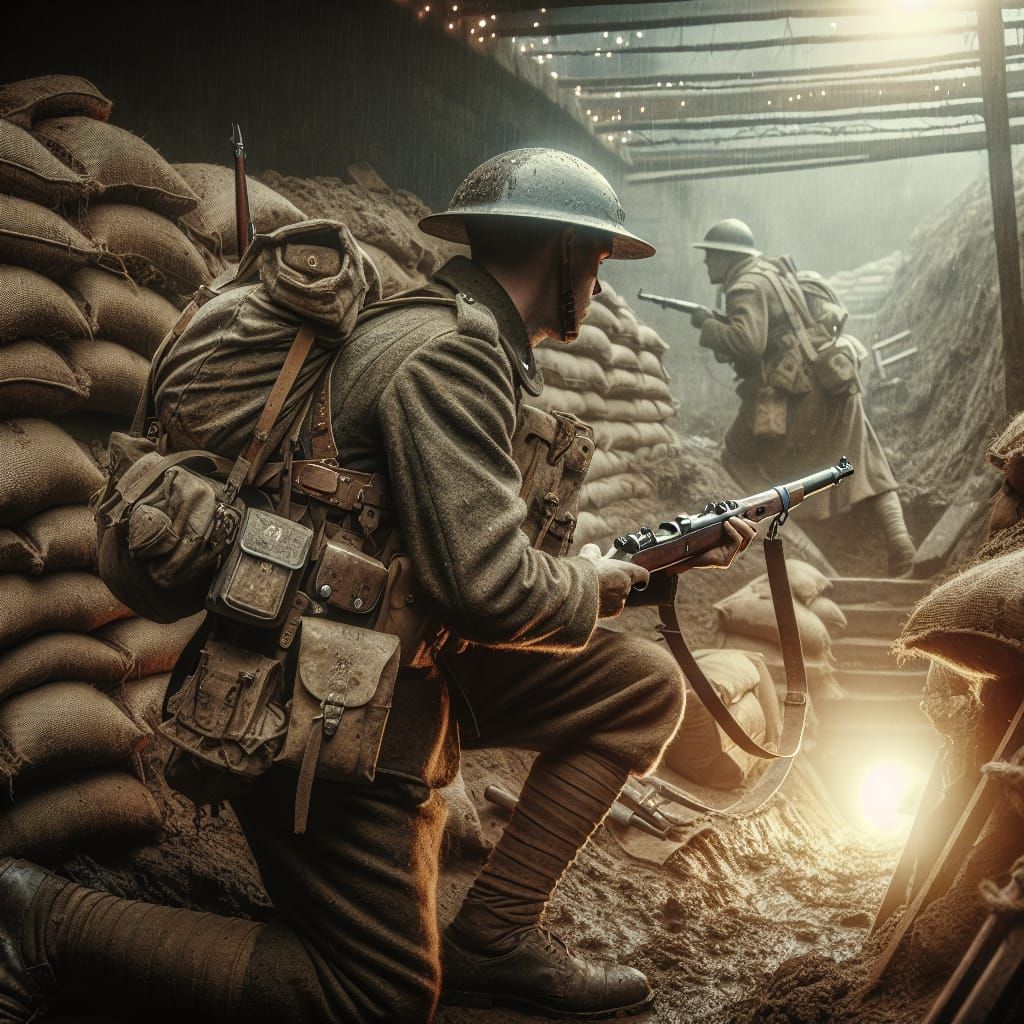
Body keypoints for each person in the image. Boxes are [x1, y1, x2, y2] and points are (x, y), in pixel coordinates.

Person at [0, 150, 756, 1024]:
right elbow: (486, 589)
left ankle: (493, 940)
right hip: (320, 693)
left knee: (636, 688)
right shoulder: (454, 353)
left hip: (393, 652)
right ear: (558, 250)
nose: (597, 276)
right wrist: (594, 586)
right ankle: (44, 922)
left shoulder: (453, 334)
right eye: (595, 256)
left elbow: (438, 540)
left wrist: (630, 563)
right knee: (381, 997)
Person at [689, 218, 916, 576]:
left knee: (737, 457)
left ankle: (806, 553)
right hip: (834, 377)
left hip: (799, 395)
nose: (706, 264)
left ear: (726, 257)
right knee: (866, 456)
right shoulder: (772, 272)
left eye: (710, 256)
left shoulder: (743, 287)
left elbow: (749, 345)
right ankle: (901, 544)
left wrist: (709, 326)